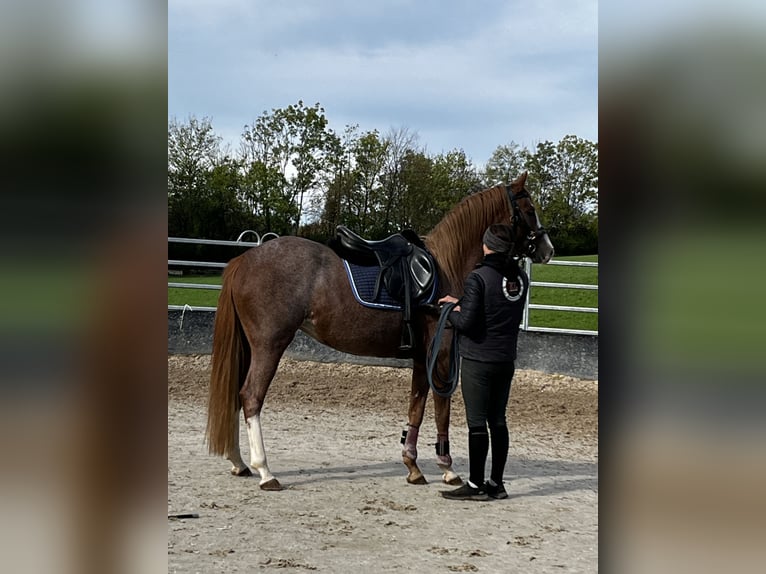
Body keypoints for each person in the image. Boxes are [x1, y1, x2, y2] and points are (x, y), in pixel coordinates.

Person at [438, 223, 529, 501]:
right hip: (505, 358)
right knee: (498, 421)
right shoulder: (520, 278)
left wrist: (449, 310)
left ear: (487, 245)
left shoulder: (477, 277)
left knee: (477, 424)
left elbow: (467, 324)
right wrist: (462, 301)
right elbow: (496, 306)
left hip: (479, 360)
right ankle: (496, 483)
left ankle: (476, 484)